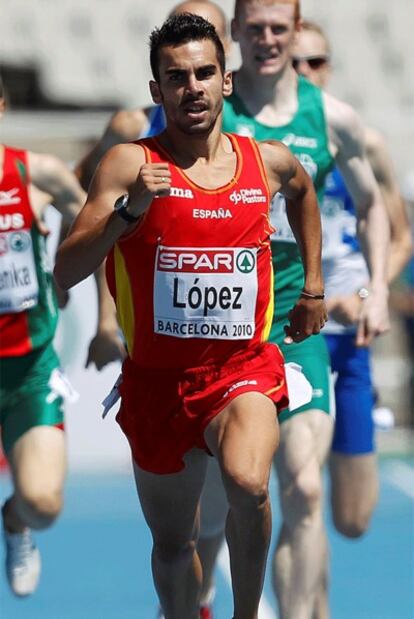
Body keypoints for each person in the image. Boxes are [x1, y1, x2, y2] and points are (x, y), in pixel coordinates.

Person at [54, 13, 328, 619]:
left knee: (250, 484)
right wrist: (129, 213)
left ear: (226, 81)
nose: (193, 87)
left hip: (241, 371)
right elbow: (66, 270)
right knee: (174, 548)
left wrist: (312, 286)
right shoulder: (130, 164)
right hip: (157, 386)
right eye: (177, 77)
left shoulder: (267, 163)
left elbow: (305, 193)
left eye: (205, 73)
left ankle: (247, 614)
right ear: (157, 91)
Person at [216, 2, 390, 618]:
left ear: (294, 31)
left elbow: (374, 205)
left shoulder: (331, 119)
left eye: (278, 28)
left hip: (295, 325)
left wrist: (378, 289)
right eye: (254, 27)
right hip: (221, 328)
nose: (266, 39)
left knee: (306, 486)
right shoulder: (211, 108)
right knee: (214, 503)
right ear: (234, 31)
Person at [292, 19, 412, 617]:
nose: (306, 74)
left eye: (317, 63)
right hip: (289, 342)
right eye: (296, 63)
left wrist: (369, 292)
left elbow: (400, 235)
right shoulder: (270, 142)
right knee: (300, 495)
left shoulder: (360, 139)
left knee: (354, 518)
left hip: (350, 344)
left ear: (330, 67)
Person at [0, 75, 122, 598]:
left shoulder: (38, 174)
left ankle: (15, 522)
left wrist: (106, 322)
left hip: (28, 369)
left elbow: (97, 237)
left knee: (44, 504)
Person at [75, 0, 231, 193]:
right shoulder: (132, 126)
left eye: (206, 32)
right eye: (180, 30)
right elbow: (83, 183)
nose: (190, 42)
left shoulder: (255, 135)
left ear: (226, 45)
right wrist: (129, 211)